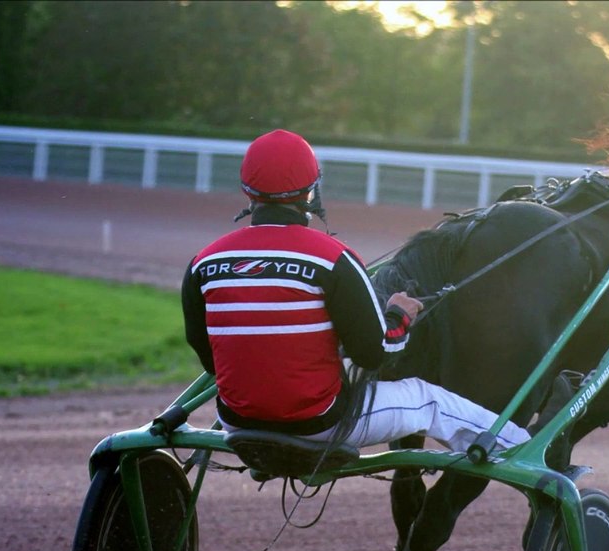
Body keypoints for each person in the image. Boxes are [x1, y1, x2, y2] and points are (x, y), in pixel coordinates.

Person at [180, 129, 529, 455]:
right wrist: (399, 315)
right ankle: (528, 454)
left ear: (247, 190)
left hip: (235, 422)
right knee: (430, 401)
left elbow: (209, 356)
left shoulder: (203, 262)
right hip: (321, 425)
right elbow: (375, 353)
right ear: (310, 191)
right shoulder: (334, 258)